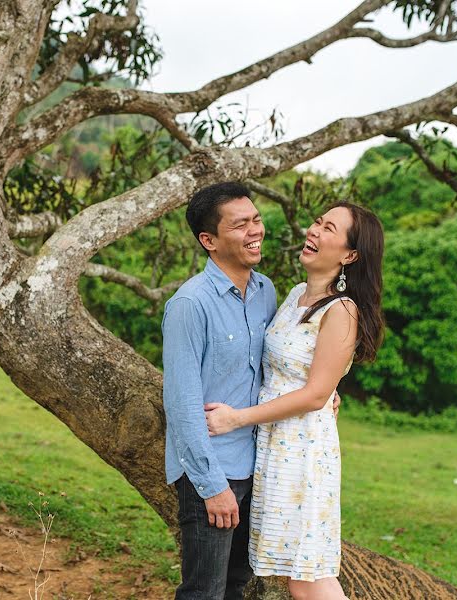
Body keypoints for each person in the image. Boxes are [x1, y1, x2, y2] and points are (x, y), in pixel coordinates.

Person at [205, 202, 385, 600]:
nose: (315, 230)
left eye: (329, 229)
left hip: (302, 449)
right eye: (317, 221)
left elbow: (315, 393)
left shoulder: (342, 310)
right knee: (294, 572)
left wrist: (237, 419)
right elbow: (296, 371)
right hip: (276, 445)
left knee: (306, 575)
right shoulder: (295, 295)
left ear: (350, 255)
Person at [162, 182, 278, 600]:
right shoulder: (189, 304)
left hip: (258, 464)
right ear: (209, 241)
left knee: (236, 586)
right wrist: (213, 487)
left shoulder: (266, 292)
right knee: (203, 592)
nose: (255, 231)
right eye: (241, 224)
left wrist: (324, 394)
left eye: (257, 219)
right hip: (212, 471)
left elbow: (274, 368)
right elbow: (181, 403)